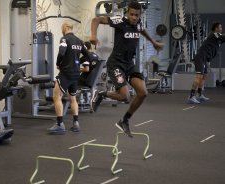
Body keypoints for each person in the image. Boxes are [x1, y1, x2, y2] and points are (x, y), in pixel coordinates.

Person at [90, 1, 163, 137]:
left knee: (143, 93)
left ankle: (124, 120)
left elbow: (142, 30)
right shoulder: (119, 21)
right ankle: (101, 94)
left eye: (137, 15)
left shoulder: (139, 23)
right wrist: (93, 35)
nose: (134, 18)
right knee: (125, 96)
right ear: (127, 13)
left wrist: (153, 42)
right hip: (116, 63)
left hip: (129, 64)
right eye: (132, 14)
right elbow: (96, 19)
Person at [47, 22, 90, 133]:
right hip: (76, 73)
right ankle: (76, 123)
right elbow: (88, 55)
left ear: (66, 28)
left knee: (56, 97)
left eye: (62, 28)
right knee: (73, 98)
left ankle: (60, 124)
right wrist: (77, 62)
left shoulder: (64, 39)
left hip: (66, 72)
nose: (62, 30)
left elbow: (61, 52)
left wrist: (58, 63)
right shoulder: (80, 41)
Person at [188, 22, 225, 104]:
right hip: (200, 57)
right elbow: (222, 36)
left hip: (205, 59)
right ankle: (191, 96)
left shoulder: (218, 39)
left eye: (221, 27)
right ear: (216, 28)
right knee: (198, 77)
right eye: (220, 27)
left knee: (204, 77)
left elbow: (223, 38)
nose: (221, 29)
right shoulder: (214, 34)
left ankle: (200, 94)